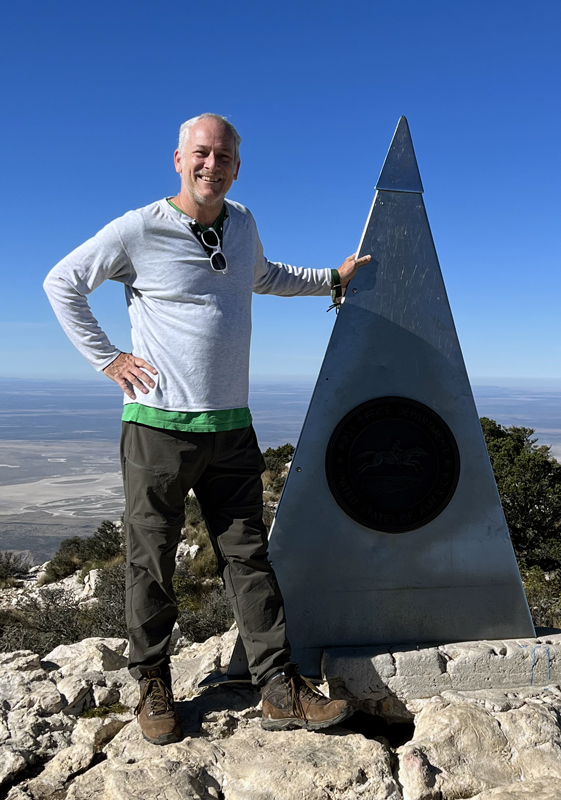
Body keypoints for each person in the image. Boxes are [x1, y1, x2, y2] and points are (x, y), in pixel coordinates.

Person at [44, 113, 370, 744]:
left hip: (231, 426)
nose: (210, 165)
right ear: (178, 159)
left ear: (236, 167)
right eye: (200, 153)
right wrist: (108, 358)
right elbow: (62, 283)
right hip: (158, 428)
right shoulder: (139, 228)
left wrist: (331, 279)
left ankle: (278, 686)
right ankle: (152, 684)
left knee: (249, 557)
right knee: (151, 561)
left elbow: (264, 277)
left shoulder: (242, 223)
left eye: (222, 157)